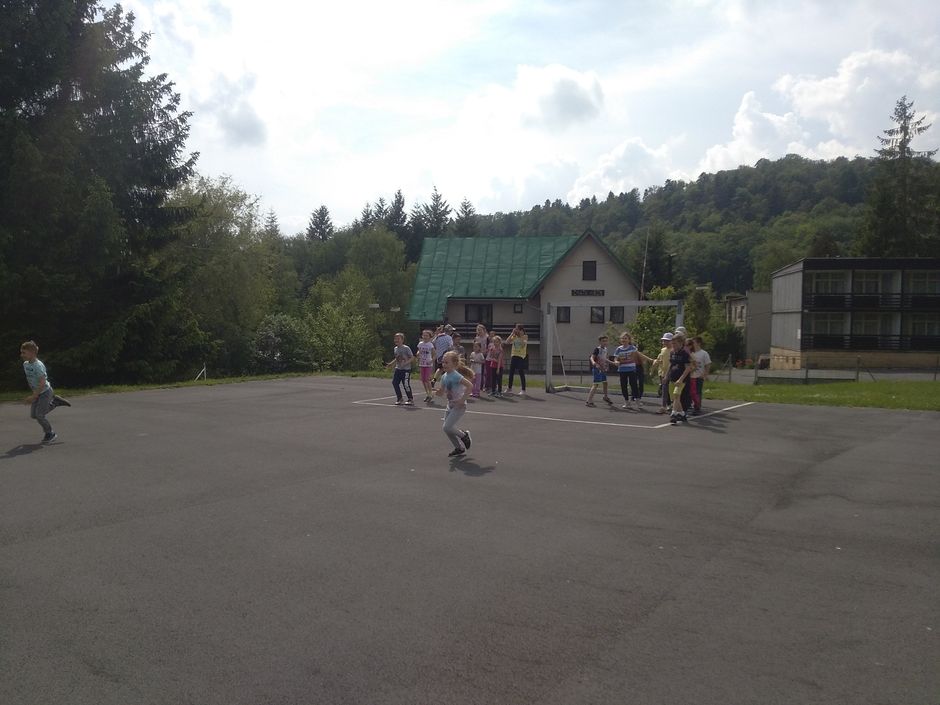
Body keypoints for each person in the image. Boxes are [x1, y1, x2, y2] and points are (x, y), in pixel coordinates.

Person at [20, 340, 70, 443]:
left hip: (45, 392)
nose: (22, 355)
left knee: (39, 415)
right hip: (37, 392)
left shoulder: (38, 366)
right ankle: (55, 402)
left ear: (32, 353)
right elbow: (30, 378)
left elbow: (42, 383)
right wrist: (34, 393)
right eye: (21, 352)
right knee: (34, 415)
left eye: (24, 352)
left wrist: (34, 396)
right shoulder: (26, 364)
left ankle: (50, 434)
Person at [436, 350, 474, 457]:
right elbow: (442, 392)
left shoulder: (456, 376)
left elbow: (470, 386)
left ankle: (464, 435)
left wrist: (462, 400)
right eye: (443, 362)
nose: (444, 364)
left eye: (447, 362)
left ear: (454, 364)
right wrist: (438, 392)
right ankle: (459, 448)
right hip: (450, 405)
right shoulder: (444, 376)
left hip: (459, 406)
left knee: (447, 427)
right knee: (447, 429)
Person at [668, 332, 693, 424]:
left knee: (676, 394)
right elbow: (671, 365)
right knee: (675, 397)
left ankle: (673, 414)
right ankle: (682, 414)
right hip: (673, 377)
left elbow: (688, 368)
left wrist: (681, 379)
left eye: (675, 343)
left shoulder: (684, 353)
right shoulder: (672, 352)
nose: (673, 345)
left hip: (681, 379)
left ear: (681, 343)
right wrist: (666, 376)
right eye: (672, 343)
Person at [613, 332, 642, 410]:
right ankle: (626, 401)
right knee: (623, 386)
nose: (624, 340)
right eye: (622, 338)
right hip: (622, 370)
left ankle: (637, 400)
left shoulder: (632, 348)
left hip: (631, 369)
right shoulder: (619, 349)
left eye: (625, 338)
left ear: (629, 340)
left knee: (634, 385)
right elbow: (615, 358)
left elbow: (637, 356)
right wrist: (616, 361)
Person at [385, 333, 414, 405]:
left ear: (402, 340)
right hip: (398, 369)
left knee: (406, 384)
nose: (396, 340)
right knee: (395, 383)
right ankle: (399, 398)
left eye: (398, 339)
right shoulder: (395, 349)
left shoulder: (406, 348)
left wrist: (406, 363)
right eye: (395, 339)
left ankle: (410, 399)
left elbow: (412, 357)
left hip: (406, 369)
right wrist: (391, 364)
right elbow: (397, 358)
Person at [585, 334, 613, 407]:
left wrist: (612, 363)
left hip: (603, 369)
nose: (605, 342)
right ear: (600, 342)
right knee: (596, 384)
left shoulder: (605, 349)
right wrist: (594, 363)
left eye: (606, 341)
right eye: (603, 341)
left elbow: (605, 359)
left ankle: (605, 397)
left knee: (605, 383)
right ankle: (589, 401)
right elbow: (592, 357)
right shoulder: (597, 349)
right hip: (597, 369)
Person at [651, 332, 674, 414]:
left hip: (672, 373)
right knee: (665, 390)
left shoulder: (673, 350)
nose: (665, 342)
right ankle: (665, 406)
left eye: (667, 341)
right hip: (663, 373)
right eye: (664, 341)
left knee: (671, 390)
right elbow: (659, 359)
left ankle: (671, 405)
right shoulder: (663, 350)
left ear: (672, 341)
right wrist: (654, 367)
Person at [689, 336, 712, 414]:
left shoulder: (704, 353)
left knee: (697, 392)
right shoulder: (690, 353)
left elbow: (708, 364)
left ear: (698, 343)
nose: (692, 344)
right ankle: (689, 405)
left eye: (693, 342)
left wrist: (705, 375)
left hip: (699, 376)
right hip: (691, 376)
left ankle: (697, 407)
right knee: (690, 392)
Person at [504, 323, 528, 396]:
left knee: (521, 371)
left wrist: (520, 336)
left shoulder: (525, 336)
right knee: (511, 372)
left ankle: (523, 389)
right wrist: (512, 334)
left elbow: (523, 345)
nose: (516, 330)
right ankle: (509, 388)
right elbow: (507, 342)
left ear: (521, 330)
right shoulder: (514, 336)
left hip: (521, 356)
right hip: (514, 355)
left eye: (517, 329)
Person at [416, 329, 435, 403]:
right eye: (424, 335)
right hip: (422, 363)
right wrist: (418, 353)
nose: (425, 337)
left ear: (429, 337)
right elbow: (419, 351)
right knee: (423, 380)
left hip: (428, 364)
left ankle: (431, 393)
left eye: (426, 335)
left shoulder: (430, 345)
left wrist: (431, 361)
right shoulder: (420, 344)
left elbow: (434, 354)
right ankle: (427, 394)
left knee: (427, 379)